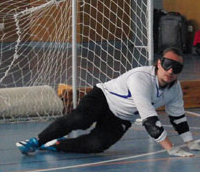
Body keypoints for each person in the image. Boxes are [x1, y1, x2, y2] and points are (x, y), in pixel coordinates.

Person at [16, 47, 200, 157]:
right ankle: (36, 141)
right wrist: (171, 149)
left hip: (122, 116)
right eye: (168, 65)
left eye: (177, 68)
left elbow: (178, 118)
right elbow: (150, 121)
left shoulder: (174, 89)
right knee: (80, 120)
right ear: (159, 63)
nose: (171, 71)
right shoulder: (141, 79)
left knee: (97, 145)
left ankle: (57, 145)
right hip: (103, 98)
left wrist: (189, 142)